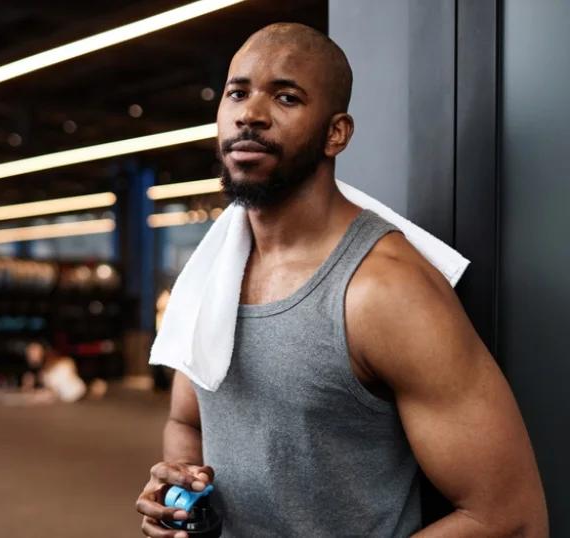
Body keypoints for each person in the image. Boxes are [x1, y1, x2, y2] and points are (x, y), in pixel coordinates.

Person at [136, 23, 547, 537]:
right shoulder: (213, 273)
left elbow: (509, 519)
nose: (251, 114)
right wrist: (180, 497)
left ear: (336, 133)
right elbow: (187, 423)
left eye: (286, 98)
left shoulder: (383, 290)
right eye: (237, 93)